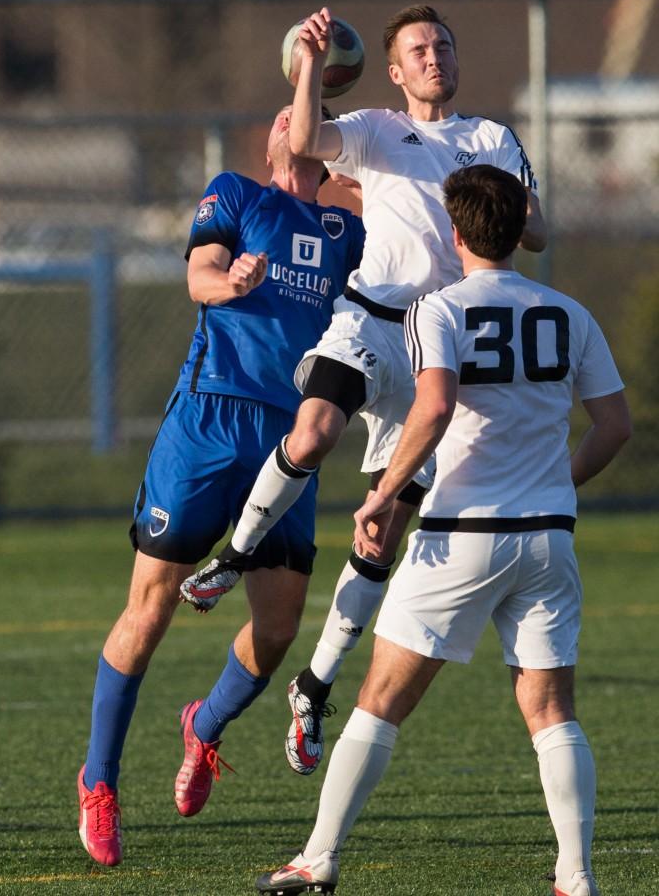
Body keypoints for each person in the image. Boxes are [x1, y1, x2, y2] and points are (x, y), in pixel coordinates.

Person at [180, 4, 548, 776]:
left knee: (378, 536)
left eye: (444, 44)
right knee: (311, 432)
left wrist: (487, 198)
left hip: (438, 345)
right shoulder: (378, 130)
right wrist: (310, 61)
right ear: (395, 70)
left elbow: (537, 230)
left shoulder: (492, 140)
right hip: (370, 321)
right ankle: (234, 554)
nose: (435, 56)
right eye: (419, 48)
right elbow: (309, 140)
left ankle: (312, 689)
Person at [255, 164, 631, 896]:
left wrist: (384, 493)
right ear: (521, 232)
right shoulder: (569, 313)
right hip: (548, 539)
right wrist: (559, 484)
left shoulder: (438, 310)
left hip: (460, 533)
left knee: (380, 701)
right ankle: (576, 876)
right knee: (553, 713)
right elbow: (614, 427)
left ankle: (318, 859)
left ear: (455, 235)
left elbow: (431, 410)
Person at [76, 105, 365, 867]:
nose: (291, 123)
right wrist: (229, 280)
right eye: (284, 115)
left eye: (308, 118)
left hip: (292, 435)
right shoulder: (236, 193)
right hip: (207, 423)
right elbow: (197, 274)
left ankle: (203, 728)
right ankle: (98, 783)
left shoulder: (347, 232)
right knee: (150, 608)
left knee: (276, 632)